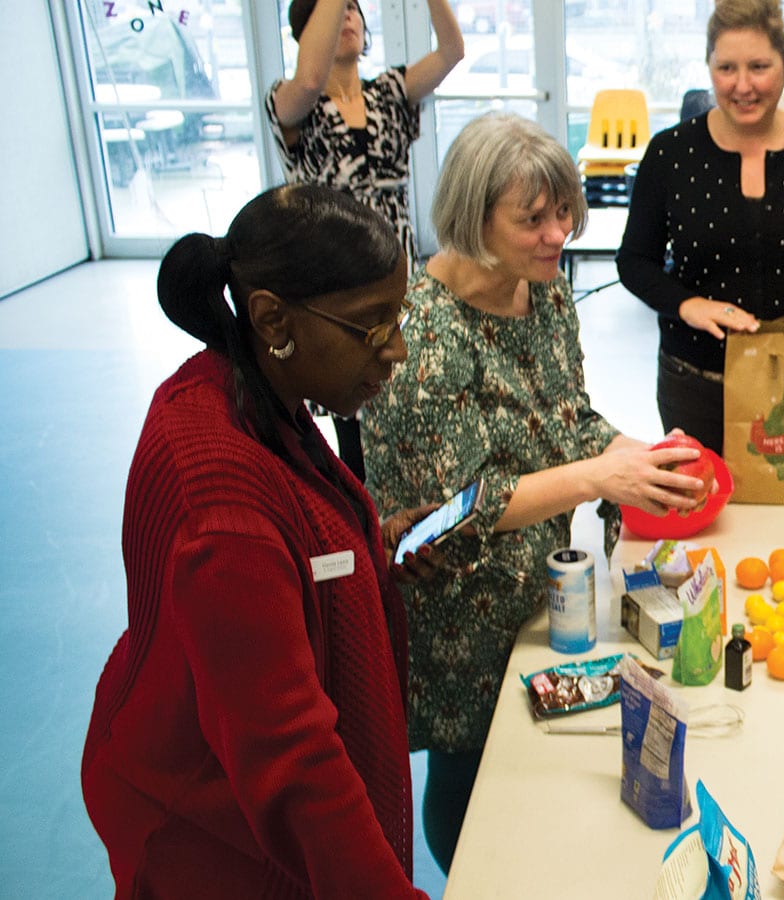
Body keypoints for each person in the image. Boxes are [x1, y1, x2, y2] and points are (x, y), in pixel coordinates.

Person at [360, 113, 707, 872]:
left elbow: (565, 413)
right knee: (470, 763)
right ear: (473, 219)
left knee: (528, 754)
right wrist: (596, 477)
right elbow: (444, 517)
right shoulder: (421, 338)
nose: (558, 234)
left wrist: (631, 456)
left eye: (565, 213)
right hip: (456, 603)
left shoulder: (542, 294)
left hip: (534, 582)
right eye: (533, 220)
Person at [82, 184, 441, 897]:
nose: (396, 349)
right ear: (273, 316)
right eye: (372, 326)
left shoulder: (258, 388)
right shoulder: (219, 501)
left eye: (397, 317)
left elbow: (296, 552)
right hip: (216, 845)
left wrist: (371, 554)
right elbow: (293, 758)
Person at [616, 0, 784, 454]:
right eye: (726, 68)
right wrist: (687, 303)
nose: (743, 86)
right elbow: (634, 261)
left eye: (759, 66)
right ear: (709, 66)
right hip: (695, 380)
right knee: (707, 512)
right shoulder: (671, 153)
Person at [268, 0, 464, 480]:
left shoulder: (388, 92)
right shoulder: (293, 100)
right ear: (305, 32)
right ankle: (361, 518)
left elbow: (453, 51)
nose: (347, 16)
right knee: (350, 403)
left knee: (405, 385)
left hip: (393, 263)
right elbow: (311, 80)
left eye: (354, 8)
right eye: (334, 11)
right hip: (333, 270)